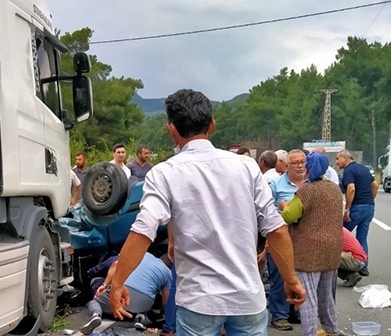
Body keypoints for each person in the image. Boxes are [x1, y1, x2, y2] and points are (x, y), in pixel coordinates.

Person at [106, 89, 305, 336]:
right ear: (212, 125)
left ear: (171, 129)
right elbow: (276, 230)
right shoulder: (246, 167)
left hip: (199, 303)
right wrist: (291, 279)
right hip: (247, 299)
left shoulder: (163, 173)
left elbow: (142, 232)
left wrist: (118, 283)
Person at [281, 152, 344, 336]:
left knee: (307, 297)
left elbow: (290, 216)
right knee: (326, 296)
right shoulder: (333, 187)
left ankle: (309, 333)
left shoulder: (306, 190)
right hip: (332, 249)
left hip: (309, 251)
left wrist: (284, 205)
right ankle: (332, 328)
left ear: (308, 168)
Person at [81, 253, 171, 335]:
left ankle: (96, 315)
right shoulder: (168, 273)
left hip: (123, 291)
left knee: (94, 302)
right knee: (147, 302)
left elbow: (116, 264)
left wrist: (105, 285)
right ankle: (140, 319)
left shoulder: (144, 254)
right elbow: (165, 303)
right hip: (142, 303)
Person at [267, 149, 307, 331]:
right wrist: (289, 212)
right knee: (278, 275)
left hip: (305, 238)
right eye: (295, 163)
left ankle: (295, 311)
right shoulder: (275, 184)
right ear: (287, 166)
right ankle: (279, 315)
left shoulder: (311, 184)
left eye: (302, 162)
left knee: (299, 274)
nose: (300, 166)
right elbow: (267, 211)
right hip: (282, 236)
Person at [336, 150, 378, 276]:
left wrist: (347, 208)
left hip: (357, 207)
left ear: (345, 158)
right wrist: (370, 199)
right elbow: (375, 185)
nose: (336, 162)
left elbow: (351, 188)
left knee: (338, 233)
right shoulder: (364, 168)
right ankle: (363, 266)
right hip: (369, 207)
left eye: (338, 158)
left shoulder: (349, 170)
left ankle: (342, 265)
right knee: (362, 236)